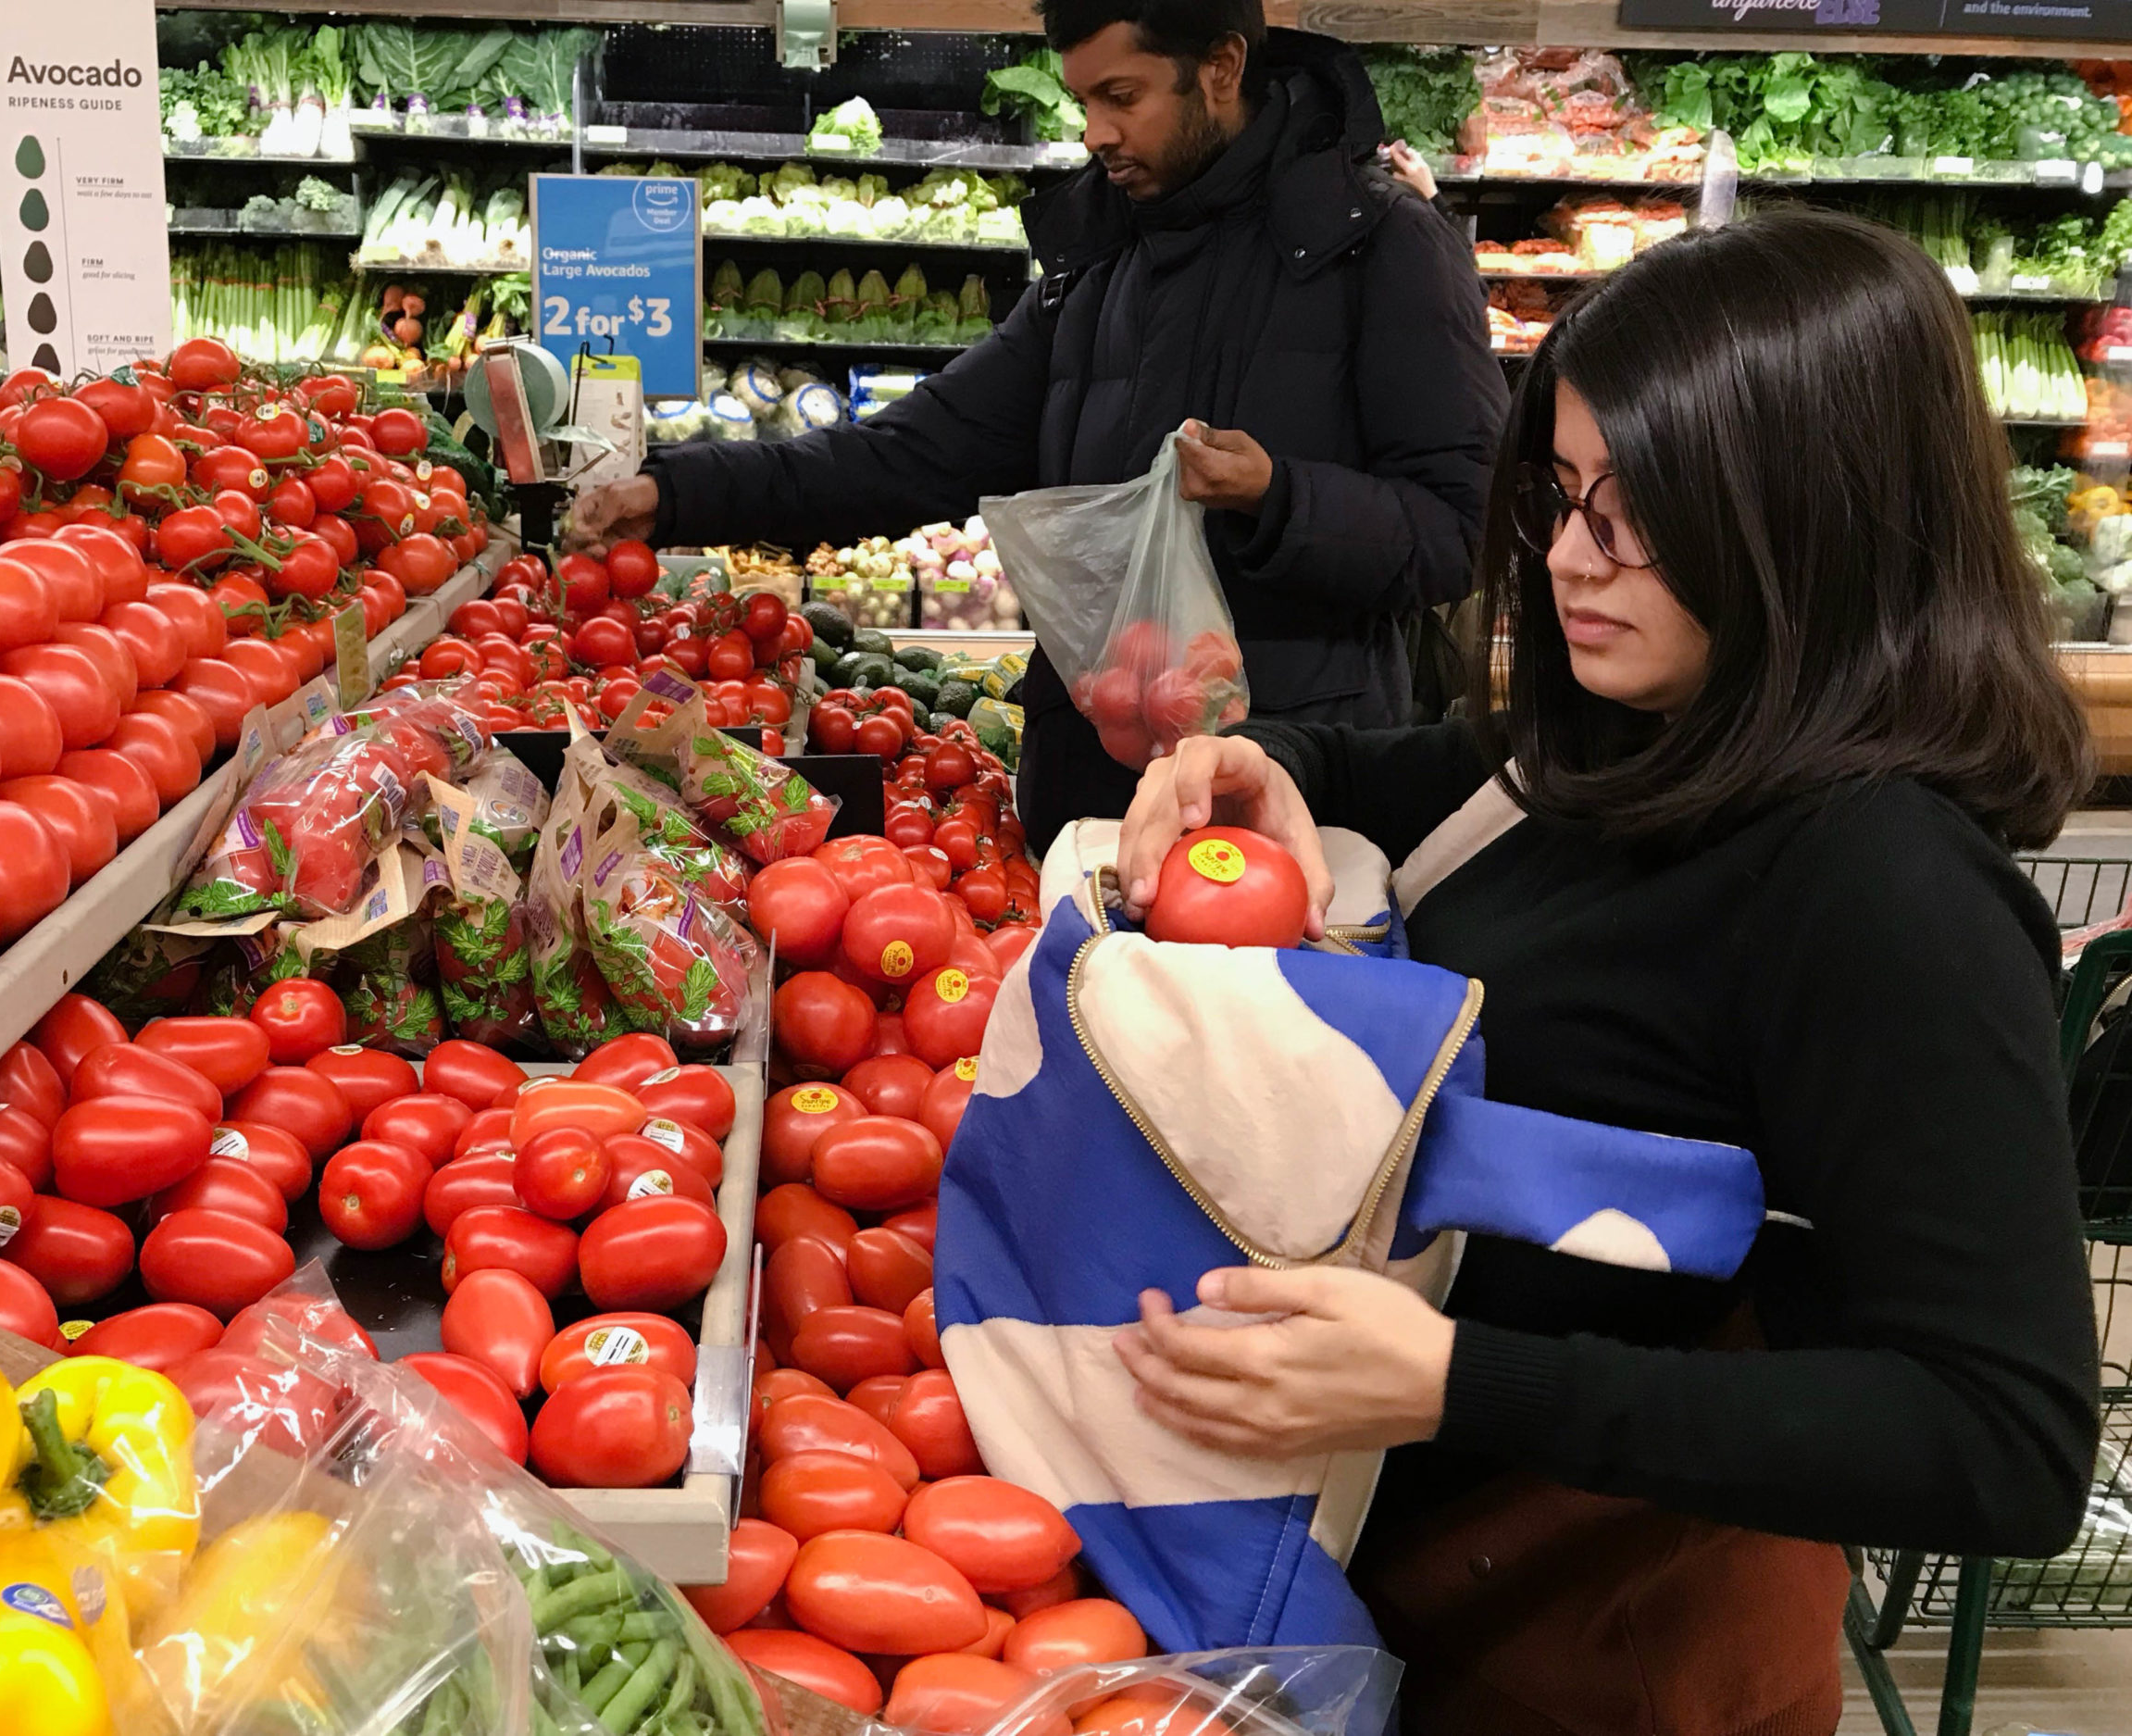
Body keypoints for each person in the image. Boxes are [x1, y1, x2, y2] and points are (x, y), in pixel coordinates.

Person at [1110, 209, 2101, 1733]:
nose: (1573, 560)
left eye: (1638, 514)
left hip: (1590, 1656)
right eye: (1564, 499)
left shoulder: (1882, 885)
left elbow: (2000, 1435)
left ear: (1809, 516)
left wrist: (1454, 1380)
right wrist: (1250, 764)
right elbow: (1397, 762)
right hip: (1383, 1598)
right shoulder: (1626, 736)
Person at [571, 0, 1505, 846]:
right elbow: (913, 451)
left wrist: (1279, 496)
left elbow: (1465, 528)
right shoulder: (1095, 266)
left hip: (1285, 803)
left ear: (1220, 68)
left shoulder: (1376, 246)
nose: (1096, 133)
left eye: (1122, 96)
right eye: (1082, 101)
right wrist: (679, 490)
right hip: (1088, 800)